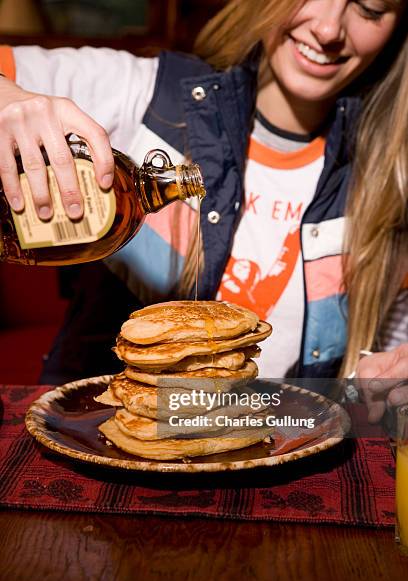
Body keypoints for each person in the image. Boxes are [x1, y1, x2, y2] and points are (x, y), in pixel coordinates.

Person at [0, 0, 407, 423]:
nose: (328, 29)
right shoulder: (144, 94)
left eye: (370, 8)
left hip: (269, 461)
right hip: (97, 444)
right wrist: (7, 97)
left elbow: (379, 369)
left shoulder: (390, 180)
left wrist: (381, 385)